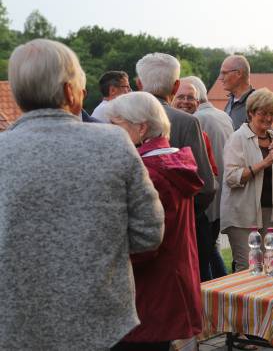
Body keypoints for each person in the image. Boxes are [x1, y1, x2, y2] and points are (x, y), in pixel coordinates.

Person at [0, 39, 164, 350]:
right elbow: (148, 233)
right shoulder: (114, 143)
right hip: (101, 324)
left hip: (14, 326)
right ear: (69, 91)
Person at [106, 92, 203, 351]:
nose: (111, 132)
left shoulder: (149, 171)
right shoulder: (170, 160)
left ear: (141, 127)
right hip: (171, 280)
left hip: (149, 291)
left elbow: (144, 244)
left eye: (116, 125)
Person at [136, 53, 217, 281]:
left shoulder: (120, 119)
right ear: (176, 85)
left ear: (139, 84)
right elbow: (206, 186)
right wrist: (185, 211)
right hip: (183, 230)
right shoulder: (187, 121)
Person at [220, 88, 273, 271]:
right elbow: (232, 178)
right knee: (248, 267)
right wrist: (266, 162)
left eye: (272, 114)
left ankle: (263, 301)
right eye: (262, 113)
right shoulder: (238, 138)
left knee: (270, 264)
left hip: (270, 213)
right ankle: (242, 301)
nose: (267, 118)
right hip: (243, 214)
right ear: (250, 113)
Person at [182, 75, 234, 279]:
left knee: (205, 253)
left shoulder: (196, 120)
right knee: (210, 249)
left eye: (188, 96)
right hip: (223, 194)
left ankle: (215, 293)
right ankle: (221, 288)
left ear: (196, 97)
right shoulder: (222, 115)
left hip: (205, 201)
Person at [220, 54, 255, 130]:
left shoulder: (257, 103)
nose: (220, 78)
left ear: (238, 73)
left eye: (224, 73)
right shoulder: (231, 100)